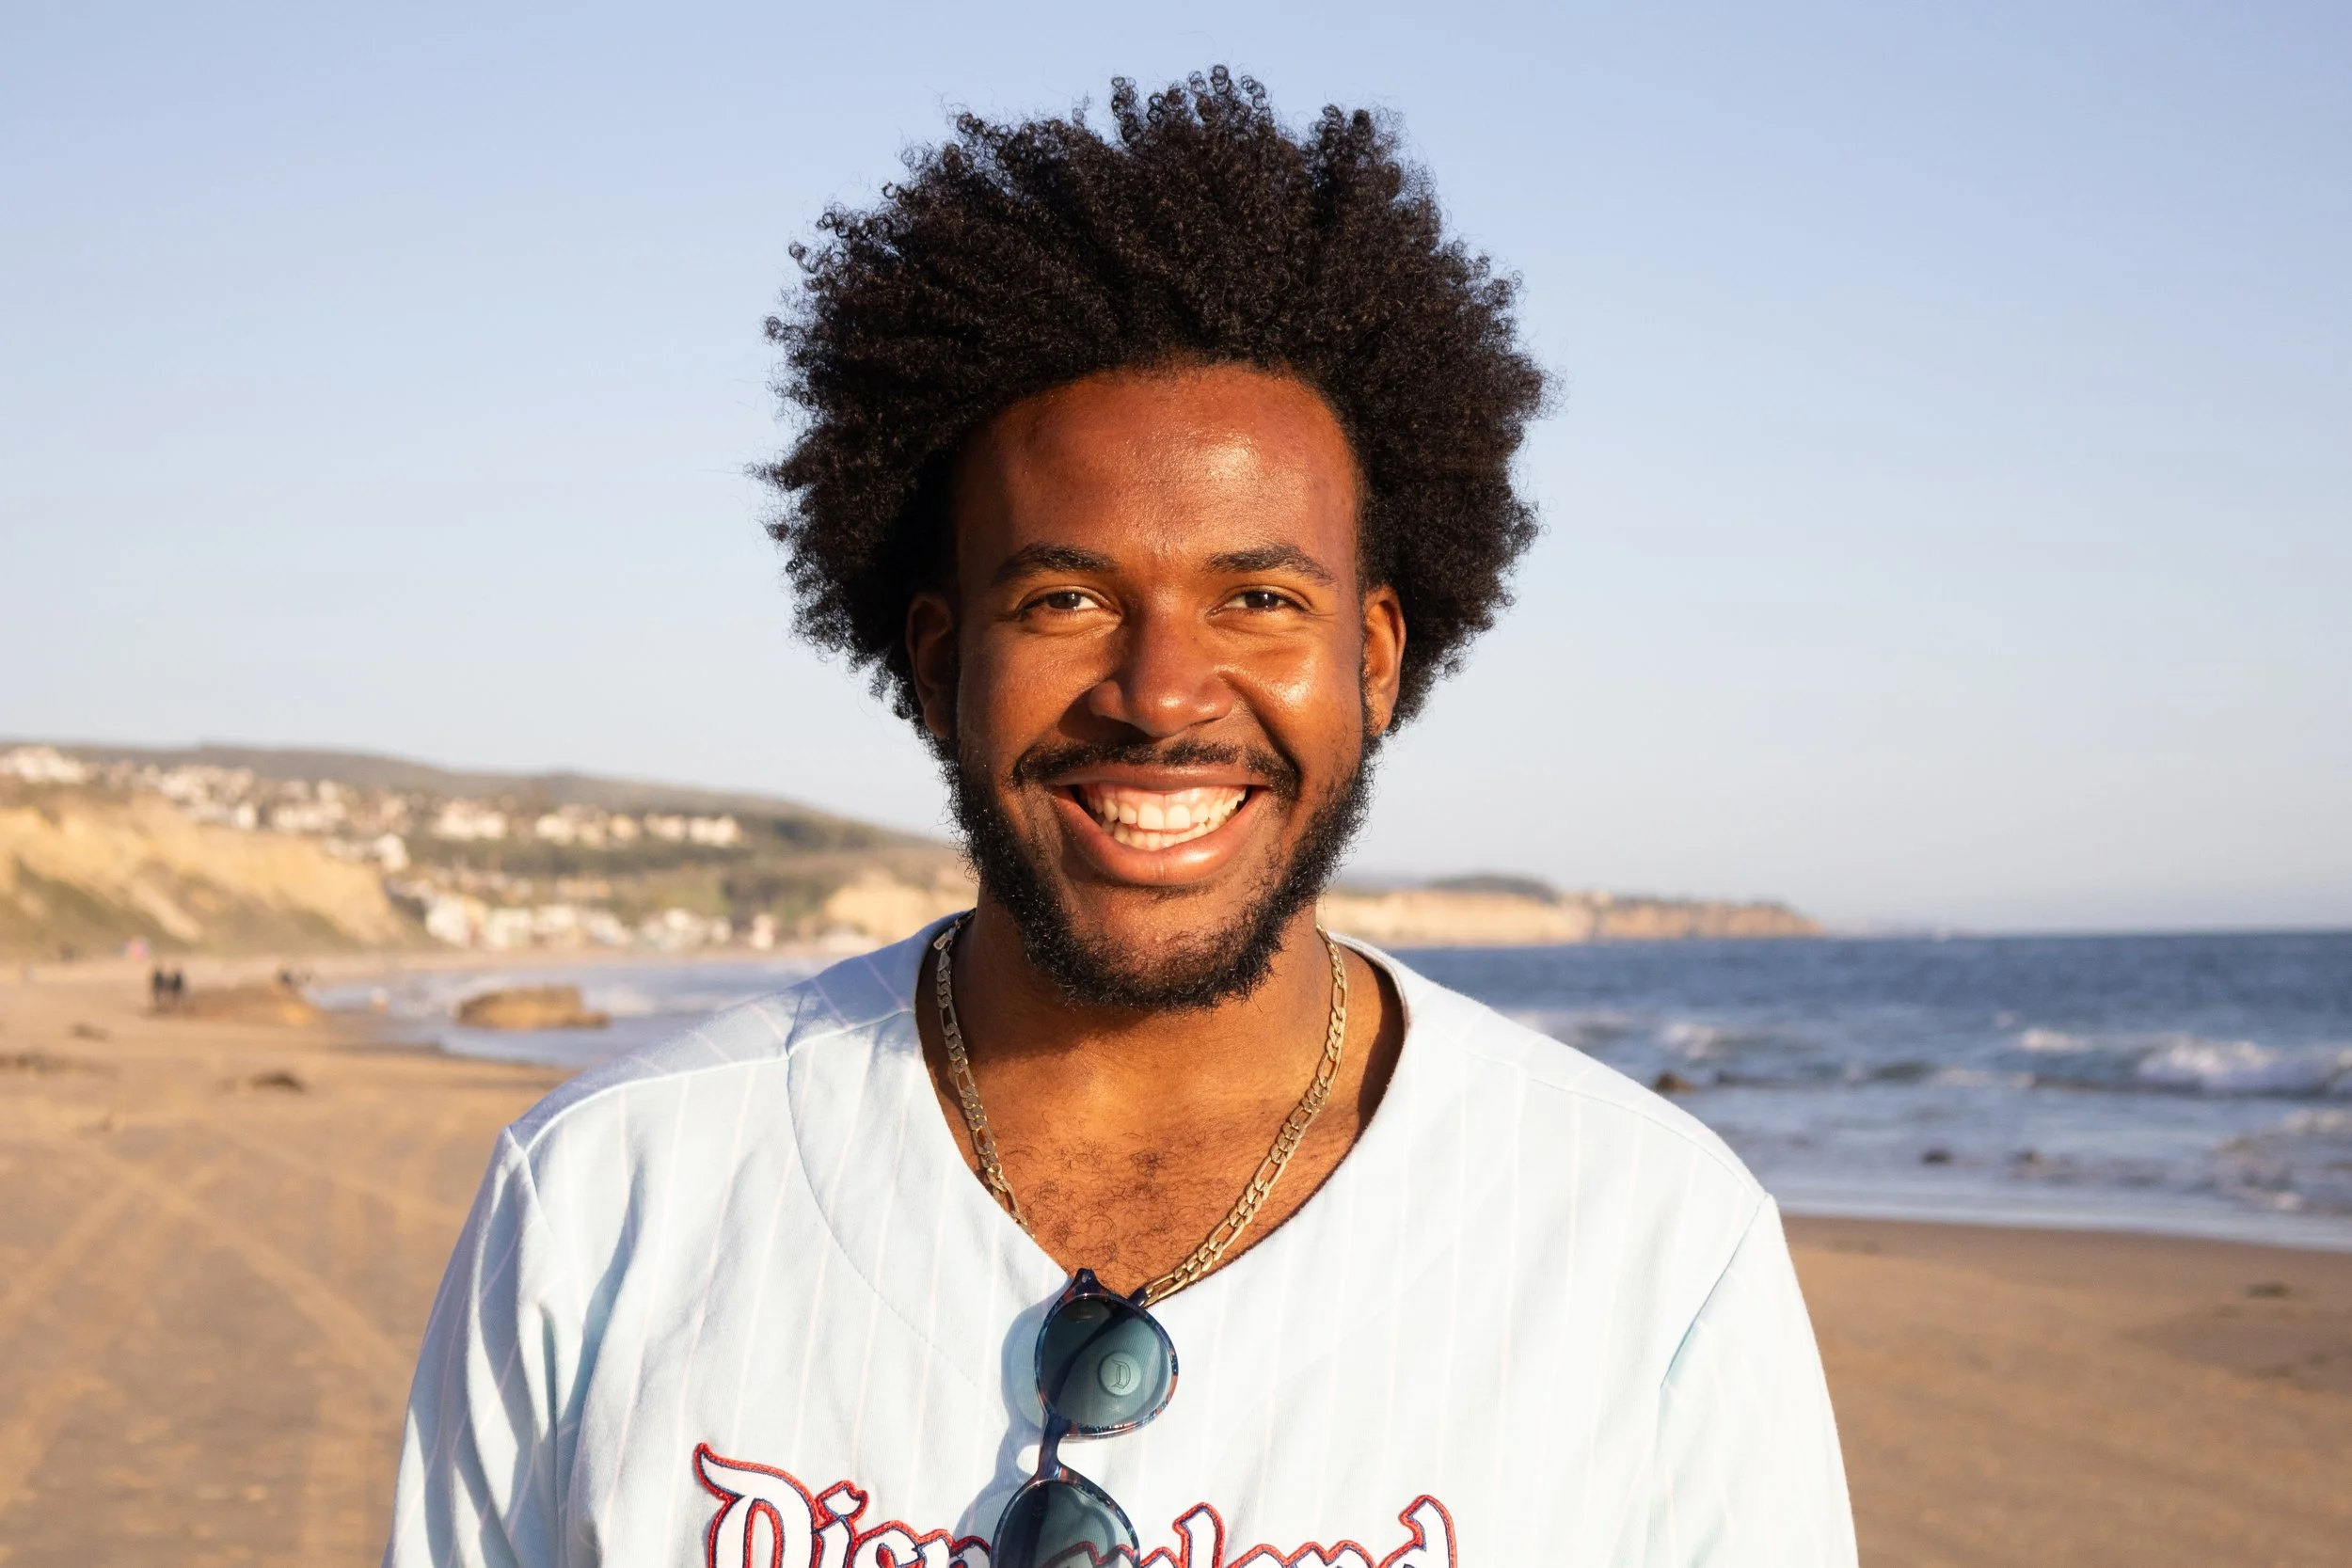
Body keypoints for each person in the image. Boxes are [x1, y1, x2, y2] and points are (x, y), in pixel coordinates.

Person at [385, 70, 1854, 1568]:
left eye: (1259, 597)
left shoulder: (1650, 1244)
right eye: (1068, 597)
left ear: (1376, 659)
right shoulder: (604, 1202)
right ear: (943, 662)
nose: (1161, 696)